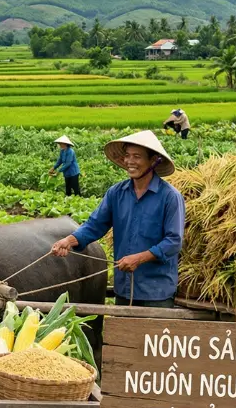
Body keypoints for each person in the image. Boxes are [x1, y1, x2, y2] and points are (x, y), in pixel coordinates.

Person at [50, 130, 185, 309]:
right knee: (123, 336)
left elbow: (173, 241)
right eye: (127, 155)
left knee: (150, 336)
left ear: (153, 161)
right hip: (124, 287)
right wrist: (69, 240)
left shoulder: (170, 197)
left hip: (156, 290)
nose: (130, 161)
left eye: (137, 156)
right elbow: (95, 224)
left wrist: (139, 258)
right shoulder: (116, 193)